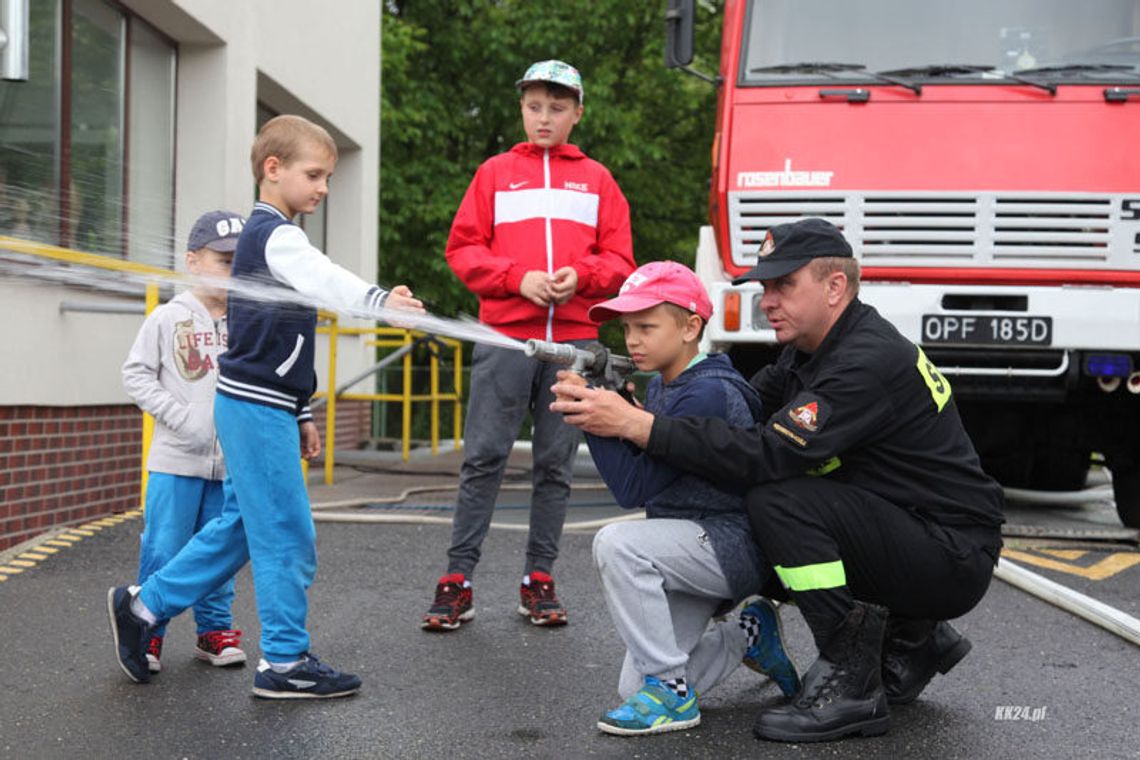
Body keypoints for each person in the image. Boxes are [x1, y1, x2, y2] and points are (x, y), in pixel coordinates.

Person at [551, 218, 1005, 743]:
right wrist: (625, 404)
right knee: (766, 519)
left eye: (784, 285)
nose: (768, 300)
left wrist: (638, 425)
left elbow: (767, 454)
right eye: (765, 287)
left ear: (835, 287)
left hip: (948, 552)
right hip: (908, 531)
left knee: (778, 503)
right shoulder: (812, 352)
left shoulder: (863, 361)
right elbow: (738, 415)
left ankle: (851, 683)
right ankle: (910, 635)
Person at [107, 114, 424, 699]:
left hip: (263, 406)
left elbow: (284, 338)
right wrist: (379, 301)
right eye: (315, 174)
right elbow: (322, 277)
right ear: (272, 170)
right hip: (255, 408)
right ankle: (281, 661)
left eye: (328, 176)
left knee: (246, 528)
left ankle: (145, 607)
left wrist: (301, 412)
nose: (324, 187)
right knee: (286, 534)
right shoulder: (276, 233)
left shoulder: (271, 237)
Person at [422, 59, 635, 631]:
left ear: (577, 114)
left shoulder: (598, 180)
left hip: (573, 343)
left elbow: (621, 263)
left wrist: (580, 276)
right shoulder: (493, 173)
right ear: (522, 108)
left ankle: (539, 579)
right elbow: (463, 249)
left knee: (555, 464)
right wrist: (516, 279)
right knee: (484, 457)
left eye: (557, 108)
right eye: (535, 106)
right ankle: (457, 580)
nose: (545, 117)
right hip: (505, 335)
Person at [566, 261, 800, 736]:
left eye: (647, 326)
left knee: (617, 544)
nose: (632, 340)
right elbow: (655, 464)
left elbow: (633, 488)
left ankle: (672, 693)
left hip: (728, 546)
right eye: (627, 327)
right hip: (689, 546)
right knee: (633, 687)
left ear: (691, 326)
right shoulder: (672, 384)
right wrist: (618, 408)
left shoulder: (708, 391)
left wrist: (597, 420)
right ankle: (750, 633)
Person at [121, 210, 248, 674]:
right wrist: (179, 418)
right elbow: (135, 374)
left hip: (230, 462)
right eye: (222, 259)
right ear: (193, 260)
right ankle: (147, 632)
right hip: (175, 460)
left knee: (215, 550)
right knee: (164, 545)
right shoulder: (167, 317)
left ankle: (214, 632)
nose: (231, 270)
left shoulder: (248, 320)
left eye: (240, 261)